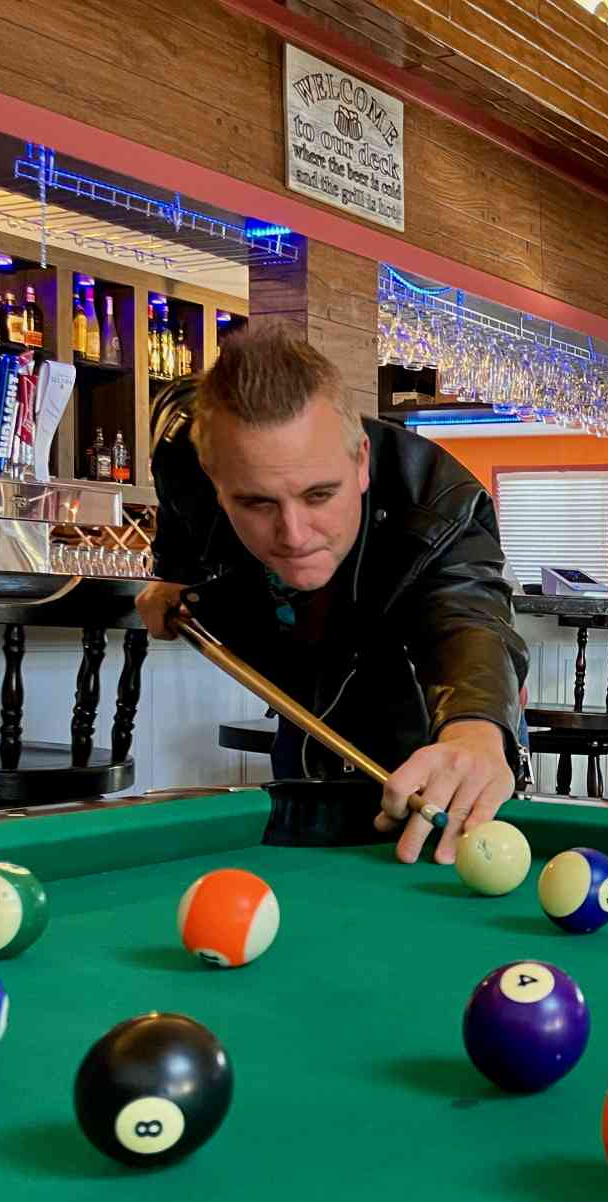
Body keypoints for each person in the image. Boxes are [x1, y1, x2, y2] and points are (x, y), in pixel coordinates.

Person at [138, 325, 526, 864]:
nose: (294, 534)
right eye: (256, 503)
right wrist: (174, 576)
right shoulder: (184, 456)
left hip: (425, 708)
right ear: (213, 477)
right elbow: (180, 502)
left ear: (361, 460)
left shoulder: (438, 502)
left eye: (319, 495)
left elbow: (467, 618)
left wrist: (475, 732)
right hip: (307, 694)